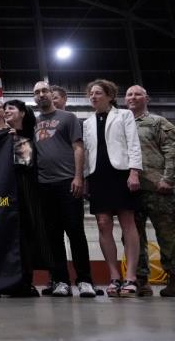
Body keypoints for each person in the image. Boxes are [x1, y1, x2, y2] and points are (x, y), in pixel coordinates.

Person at [33, 81, 97, 298]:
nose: (41, 94)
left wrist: (78, 176)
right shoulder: (33, 122)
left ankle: (85, 280)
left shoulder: (68, 118)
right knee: (53, 235)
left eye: (44, 91)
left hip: (68, 182)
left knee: (75, 232)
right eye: (37, 92)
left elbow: (78, 147)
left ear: (52, 94)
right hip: (44, 185)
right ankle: (61, 281)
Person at [83, 79, 142, 297]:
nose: (93, 97)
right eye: (91, 94)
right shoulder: (87, 122)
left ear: (109, 96)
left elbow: (133, 144)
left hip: (122, 173)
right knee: (103, 223)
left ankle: (131, 277)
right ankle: (114, 276)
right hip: (98, 176)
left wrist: (134, 171)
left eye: (98, 93)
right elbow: (88, 152)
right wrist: (86, 177)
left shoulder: (124, 115)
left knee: (128, 222)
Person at [125, 85, 175, 297]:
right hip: (130, 190)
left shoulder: (157, 122)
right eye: (129, 94)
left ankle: (173, 278)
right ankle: (140, 280)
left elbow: (171, 151)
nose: (133, 97)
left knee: (168, 235)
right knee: (133, 237)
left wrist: (168, 179)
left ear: (147, 98)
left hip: (158, 189)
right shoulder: (121, 123)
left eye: (137, 94)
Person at [4, 99, 51, 297]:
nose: (6, 111)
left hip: (29, 189)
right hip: (7, 190)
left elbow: (30, 161)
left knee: (29, 233)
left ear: (23, 112)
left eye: (11, 108)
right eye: (4, 109)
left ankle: (27, 280)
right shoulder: (1, 135)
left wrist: (18, 139)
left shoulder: (34, 134)